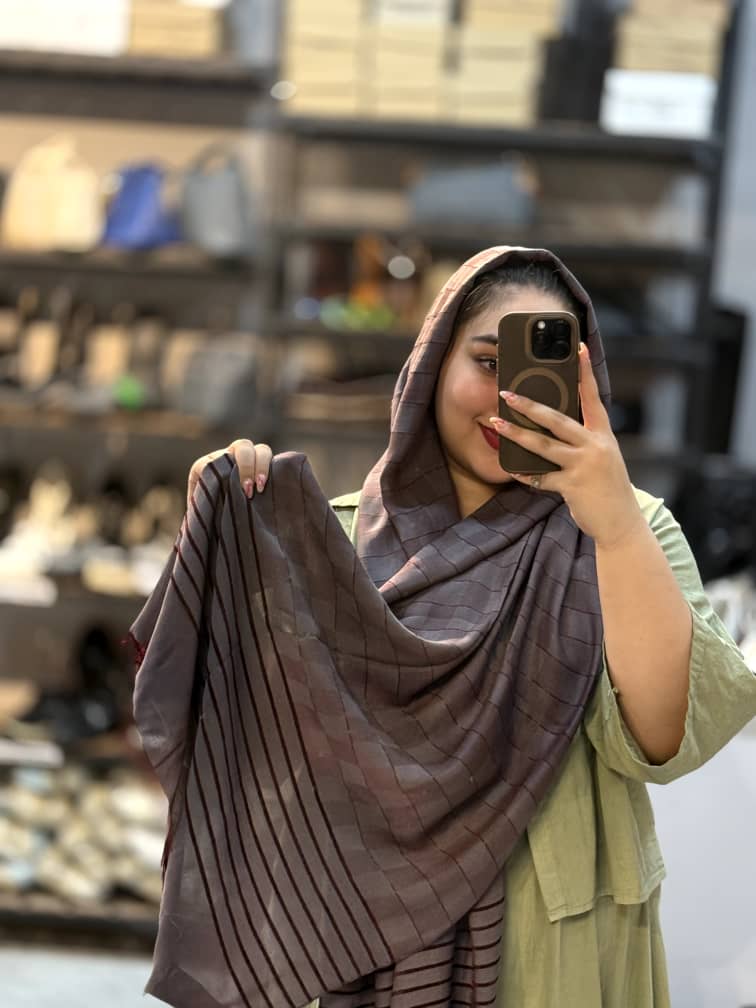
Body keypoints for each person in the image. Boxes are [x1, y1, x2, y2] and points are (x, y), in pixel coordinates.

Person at [143, 247, 756, 1008]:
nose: (511, 396)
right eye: (488, 362)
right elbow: (235, 740)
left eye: (541, 371)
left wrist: (616, 525)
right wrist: (225, 538)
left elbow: (663, 737)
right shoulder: (327, 541)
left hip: (553, 950)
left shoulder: (630, 532)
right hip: (360, 945)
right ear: (433, 363)